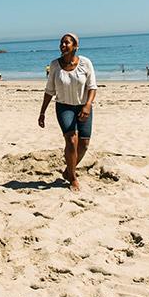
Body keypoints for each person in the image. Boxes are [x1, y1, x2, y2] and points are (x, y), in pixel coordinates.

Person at [38, 33, 97, 191]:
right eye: (61, 43)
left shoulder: (86, 63)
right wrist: (42, 112)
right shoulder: (55, 65)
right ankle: (73, 177)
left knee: (84, 144)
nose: (63, 45)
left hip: (84, 106)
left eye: (67, 43)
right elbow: (49, 91)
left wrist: (88, 105)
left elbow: (92, 87)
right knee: (71, 140)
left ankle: (68, 171)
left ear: (75, 46)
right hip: (64, 107)